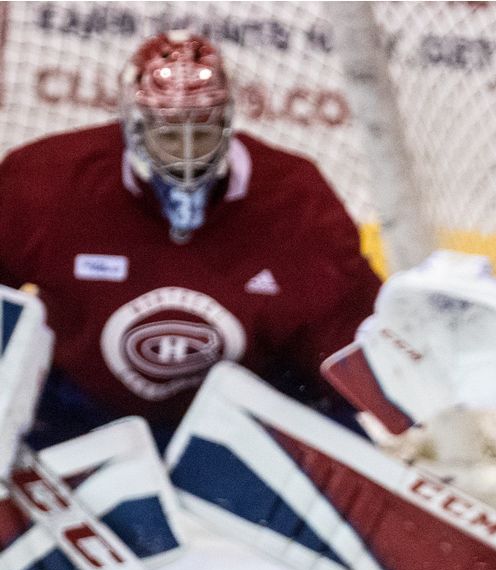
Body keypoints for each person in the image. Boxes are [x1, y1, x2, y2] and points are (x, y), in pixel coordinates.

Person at [0, 30, 381, 451]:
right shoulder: (47, 181)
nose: (186, 157)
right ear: (132, 124)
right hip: (78, 414)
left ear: (227, 122)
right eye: (167, 135)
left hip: (243, 426)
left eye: (200, 134)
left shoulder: (294, 197)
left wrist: (376, 400)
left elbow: (342, 329)